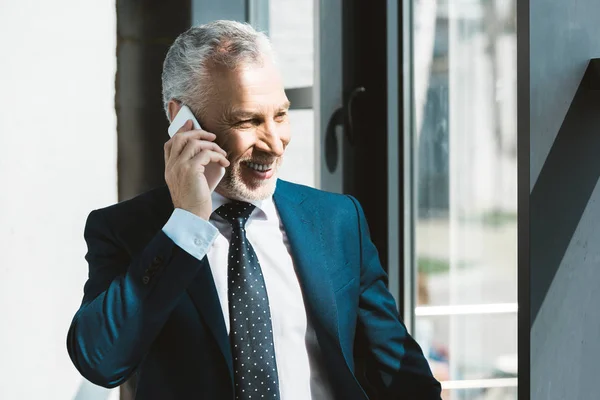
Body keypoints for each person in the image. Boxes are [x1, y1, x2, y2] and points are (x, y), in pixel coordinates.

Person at [66, 20, 441, 400]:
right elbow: (101, 361)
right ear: (182, 119)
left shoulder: (336, 219)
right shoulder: (126, 229)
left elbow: (401, 371)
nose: (275, 144)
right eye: (247, 120)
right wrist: (185, 226)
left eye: (280, 115)